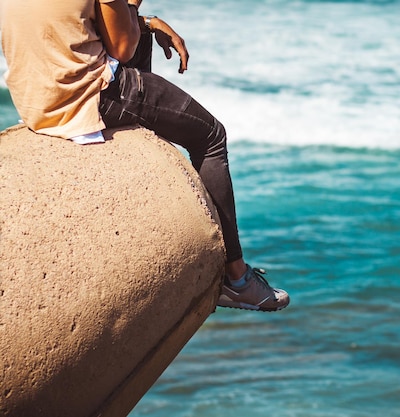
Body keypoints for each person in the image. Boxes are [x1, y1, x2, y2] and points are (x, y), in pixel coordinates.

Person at [0, 0, 289, 312]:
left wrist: (146, 22)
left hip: (36, 96)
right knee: (211, 136)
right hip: (91, 94)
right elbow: (122, 48)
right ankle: (237, 280)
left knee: (140, 32)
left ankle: (146, 139)